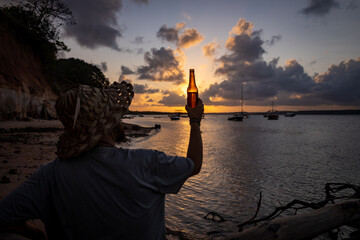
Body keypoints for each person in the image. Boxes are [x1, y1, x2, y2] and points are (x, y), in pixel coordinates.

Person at [0, 81, 204, 239]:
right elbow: (193, 164)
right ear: (109, 122)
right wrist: (194, 120)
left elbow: (4, 217)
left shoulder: (48, 176)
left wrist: (34, 233)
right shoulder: (147, 163)